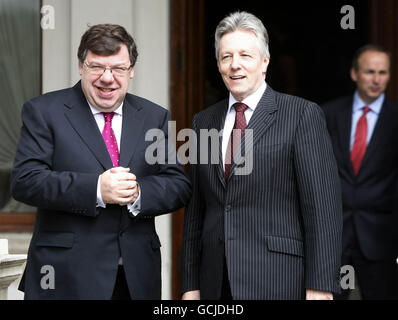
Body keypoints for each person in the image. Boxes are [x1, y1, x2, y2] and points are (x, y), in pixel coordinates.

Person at [11, 24, 191, 300]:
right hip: (65, 277)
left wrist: (139, 192)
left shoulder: (152, 117)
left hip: (134, 278)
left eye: (118, 68)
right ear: (81, 66)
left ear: (131, 70)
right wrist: (96, 189)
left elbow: (177, 184)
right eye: (97, 67)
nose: (107, 78)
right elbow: (26, 181)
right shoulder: (44, 111)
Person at [180, 11, 343, 300]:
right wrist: (191, 284)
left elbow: (323, 210)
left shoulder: (301, 115)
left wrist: (320, 287)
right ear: (218, 64)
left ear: (265, 61)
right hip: (216, 283)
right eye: (226, 56)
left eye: (245, 55)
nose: (235, 65)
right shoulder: (203, 122)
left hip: (278, 279)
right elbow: (196, 213)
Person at [322, 44, 398, 300]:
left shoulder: (396, 118)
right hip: (335, 234)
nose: (376, 80)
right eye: (369, 72)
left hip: (380, 237)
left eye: (383, 72)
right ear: (354, 74)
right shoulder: (328, 114)